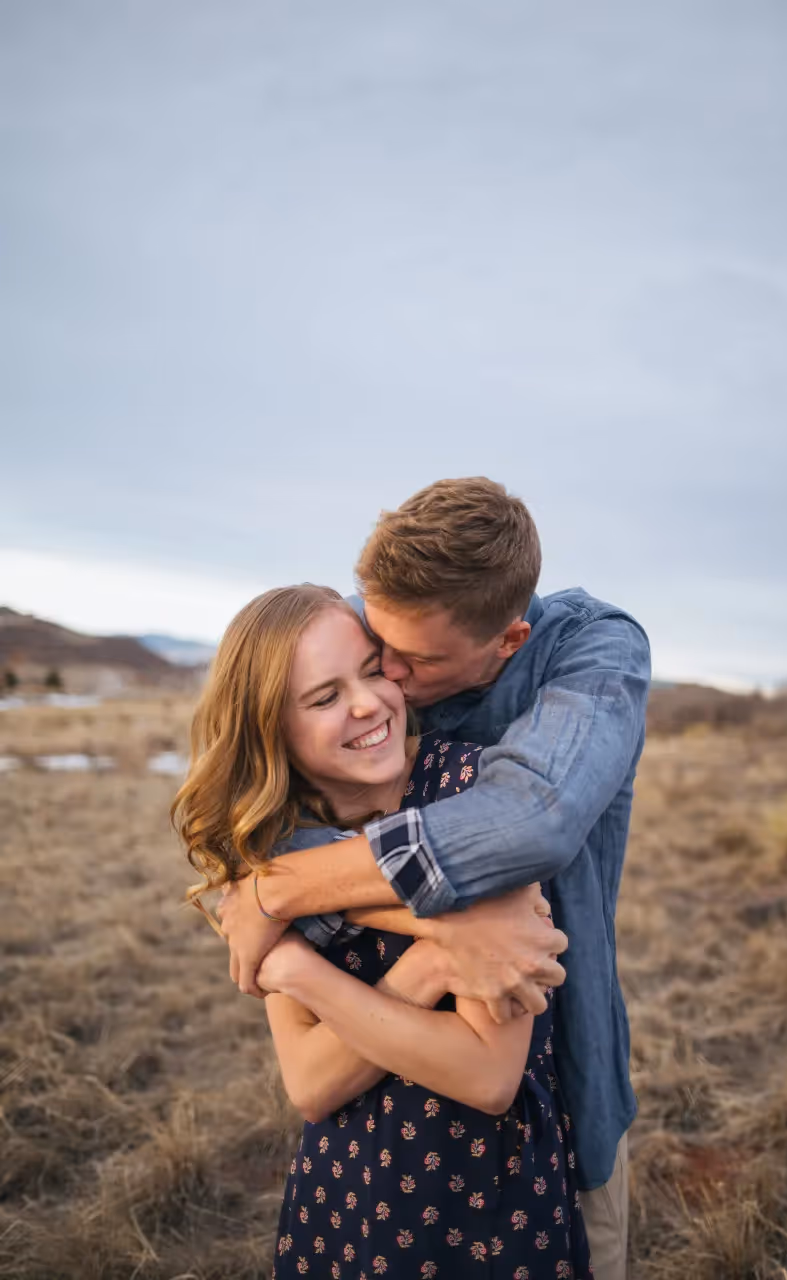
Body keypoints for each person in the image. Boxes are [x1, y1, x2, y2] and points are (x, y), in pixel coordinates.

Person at [218, 477, 651, 1280]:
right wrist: (439, 937)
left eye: (411, 662)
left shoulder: (589, 654)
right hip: (362, 1173)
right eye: (372, 645)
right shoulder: (369, 637)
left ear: (507, 641)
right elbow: (262, 769)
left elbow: (528, 825)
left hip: (544, 1122)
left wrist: (277, 893)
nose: (385, 679)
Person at [174, 585, 592, 1278]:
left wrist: (298, 968)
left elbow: (486, 1074)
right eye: (324, 698)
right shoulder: (273, 847)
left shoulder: (474, 798)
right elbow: (310, 1085)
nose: (368, 704)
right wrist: (426, 968)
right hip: (345, 1197)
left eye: (373, 671)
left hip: (487, 1200)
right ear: (270, 729)